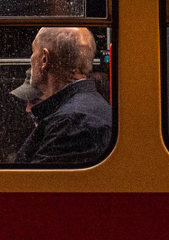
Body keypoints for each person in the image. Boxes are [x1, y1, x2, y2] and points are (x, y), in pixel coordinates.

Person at [11, 26, 111, 164]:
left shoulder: (70, 122)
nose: (31, 58)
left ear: (44, 59)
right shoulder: (84, 106)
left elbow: (35, 182)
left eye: (33, 52)